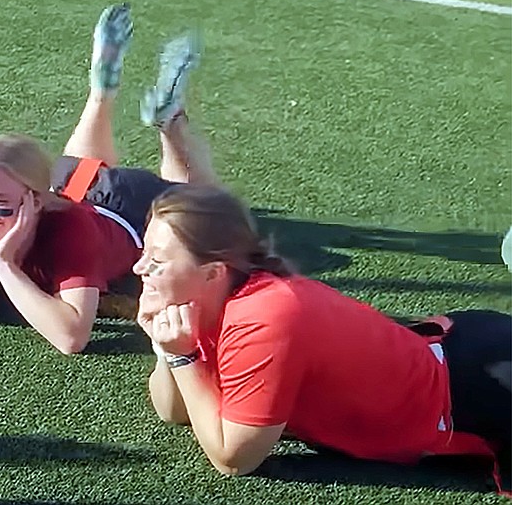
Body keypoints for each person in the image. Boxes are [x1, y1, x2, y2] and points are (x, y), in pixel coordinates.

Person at [0, 3, 218, 354]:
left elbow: (72, 337)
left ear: (33, 202)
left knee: (209, 211)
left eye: (1, 206)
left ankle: (170, 122)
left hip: (129, 206)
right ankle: (102, 89)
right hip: (71, 185)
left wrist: (4, 264)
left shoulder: (69, 229)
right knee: (81, 168)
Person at [136, 182, 511, 486]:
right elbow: (176, 412)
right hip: (458, 355)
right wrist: (166, 349)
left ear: (213, 273)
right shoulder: (214, 298)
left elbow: (234, 458)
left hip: (479, 390)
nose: (138, 268)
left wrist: (182, 358)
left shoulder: (261, 319)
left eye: (156, 261)